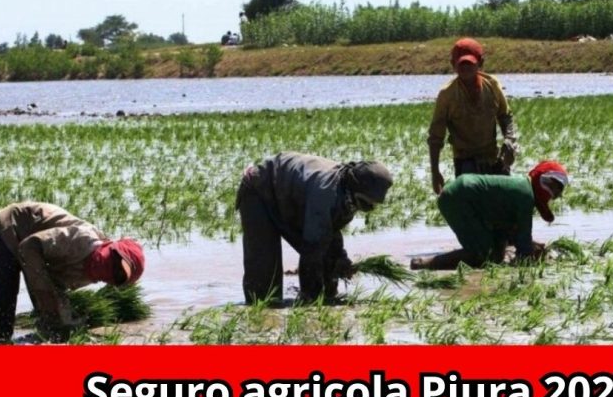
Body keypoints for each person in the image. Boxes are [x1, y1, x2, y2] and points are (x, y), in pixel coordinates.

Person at [236, 152, 393, 304]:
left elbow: (330, 232)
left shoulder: (346, 194)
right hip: (259, 189)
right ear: (357, 190)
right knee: (263, 279)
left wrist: (340, 259)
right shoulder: (325, 192)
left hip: (287, 195)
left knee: (328, 259)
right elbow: (312, 248)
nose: (370, 208)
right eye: (367, 203)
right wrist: (310, 297)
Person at [0, 202, 145, 344]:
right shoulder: (82, 241)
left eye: (119, 275)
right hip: (14, 226)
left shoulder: (90, 274)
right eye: (115, 262)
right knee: (0, 305)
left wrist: (64, 318)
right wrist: (44, 291)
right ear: (112, 247)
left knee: (51, 318)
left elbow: (56, 286)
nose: (112, 270)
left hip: (39, 253)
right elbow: (29, 246)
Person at [412, 161, 568, 270]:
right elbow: (524, 248)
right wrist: (532, 254)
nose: (551, 192)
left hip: (460, 194)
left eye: (555, 191)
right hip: (459, 198)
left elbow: (511, 230)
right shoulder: (526, 195)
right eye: (550, 185)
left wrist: (529, 244)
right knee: (483, 255)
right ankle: (425, 263)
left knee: (496, 253)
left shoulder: (524, 189)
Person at [428, 37, 518, 195]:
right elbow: (436, 137)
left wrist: (509, 140)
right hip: (465, 160)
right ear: (453, 64)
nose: (465, 68)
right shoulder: (447, 94)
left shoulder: (492, 85)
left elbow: (505, 116)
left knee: (504, 199)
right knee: (472, 200)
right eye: (461, 64)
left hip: (492, 156)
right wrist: (435, 172)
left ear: (480, 63)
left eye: (469, 64)